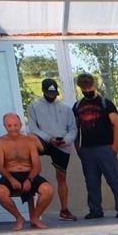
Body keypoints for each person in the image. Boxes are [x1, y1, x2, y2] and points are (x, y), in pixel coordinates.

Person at [72, 73, 118, 220]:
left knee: (114, 179)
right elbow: (75, 128)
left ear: (94, 86)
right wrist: (77, 147)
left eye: (89, 87)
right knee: (91, 182)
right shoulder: (78, 106)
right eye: (84, 88)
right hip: (87, 150)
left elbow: (116, 124)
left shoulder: (105, 103)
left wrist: (115, 145)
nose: (87, 90)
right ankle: (95, 210)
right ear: (80, 88)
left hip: (105, 148)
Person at [0, 113, 54, 231]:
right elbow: (0, 166)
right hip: (10, 174)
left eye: (15, 125)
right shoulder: (0, 141)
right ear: (5, 126)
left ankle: (35, 218)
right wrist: (11, 179)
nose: (13, 128)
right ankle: (19, 218)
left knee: (48, 190)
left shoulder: (29, 140)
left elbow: (37, 165)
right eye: (9, 126)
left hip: (29, 173)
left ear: (20, 125)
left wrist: (29, 179)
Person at [26, 78, 77, 220]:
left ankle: (64, 209)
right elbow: (33, 128)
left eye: (53, 93)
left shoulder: (65, 108)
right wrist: (49, 139)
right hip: (44, 140)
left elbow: (73, 129)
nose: (51, 96)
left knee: (61, 176)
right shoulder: (34, 106)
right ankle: (31, 183)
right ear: (43, 92)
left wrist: (65, 140)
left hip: (62, 143)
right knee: (30, 140)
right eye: (49, 93)